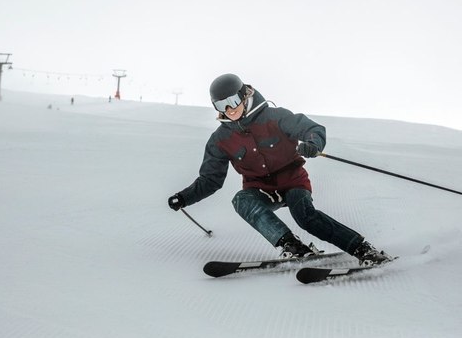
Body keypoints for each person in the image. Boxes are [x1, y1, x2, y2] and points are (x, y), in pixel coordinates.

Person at [167, 74, 392, 265]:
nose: (228, 109)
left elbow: (312, 128)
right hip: (261, 189)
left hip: (293, 181)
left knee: (304, 215)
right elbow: (210, 180)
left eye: (232, 101)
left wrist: (313, 144)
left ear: (245, 95)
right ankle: (293, 246)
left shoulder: (274, 117)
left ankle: (363, 249)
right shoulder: (220, 139)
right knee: (241, 200)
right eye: (220, 105)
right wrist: (184, 198)